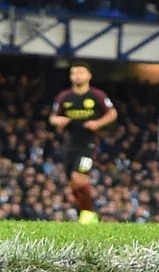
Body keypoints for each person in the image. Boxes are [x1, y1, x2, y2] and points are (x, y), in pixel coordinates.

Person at [48, 63, 117, 217]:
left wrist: (98, 123)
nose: (77, 76)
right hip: (70, 143)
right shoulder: (64, 96)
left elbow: (112, 113)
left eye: (80, 72)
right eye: (74, 73)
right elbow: (52, 117)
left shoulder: (97, 95)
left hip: (89, 143)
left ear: (89, 76)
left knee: (79, 179)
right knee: (73, 184)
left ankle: (88, 213)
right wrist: (58, 121)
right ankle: (84, 213)